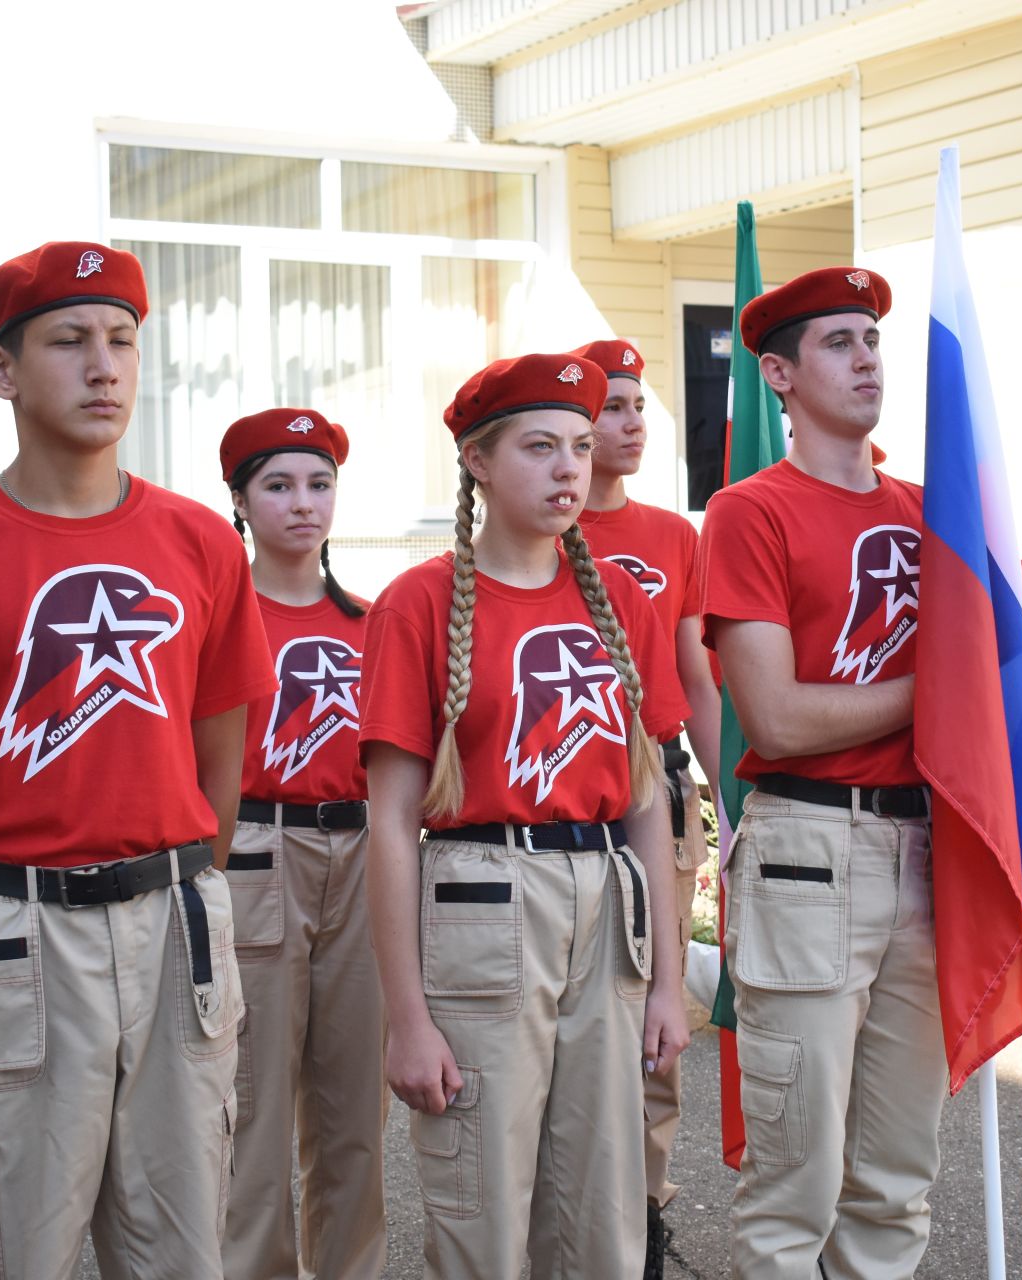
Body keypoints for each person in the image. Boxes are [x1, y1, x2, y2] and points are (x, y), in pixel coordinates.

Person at [0, 242, 274, 1280]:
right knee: (17, 1248)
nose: (104, 366)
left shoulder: (201, 543)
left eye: (122, 340)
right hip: (13, 931)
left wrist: (177, 882)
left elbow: (223, 760)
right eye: (70, 340)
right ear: (2, 370)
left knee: (181, 1252)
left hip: (176, 928)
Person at [359, 352, 692, 1278]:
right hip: (480, 905)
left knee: (606, 1208)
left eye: (581, 447)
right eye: (540, 447)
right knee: (483, 1211)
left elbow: (646, 802)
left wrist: (668, 978)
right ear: (478, 461)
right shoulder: (417, 604)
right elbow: (390, 824)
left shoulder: (621, 598)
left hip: (606, 905)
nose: (569, 470)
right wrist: (407, 1020)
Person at [698, 266, 942, 1278]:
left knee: (895, 1183)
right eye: (838, 341)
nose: (867, 357)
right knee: (793, 1183)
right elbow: (779, 715)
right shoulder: (749, 511)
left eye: (872, 339)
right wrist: (938, 694)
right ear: (779, 374)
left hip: (930, 848)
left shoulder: (935, 508)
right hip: (808, 849)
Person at [217, 409, 385, 1280]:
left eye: (319, 483)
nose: (303, 503)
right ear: (242, 501)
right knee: (253, 1106)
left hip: (361, 858)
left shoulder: (373, 623)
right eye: (278, 485)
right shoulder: (216, 617)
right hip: (254, 852)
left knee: (355, 1112)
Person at [567, 337, 722, 1277]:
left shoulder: (674, 536)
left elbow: (695, 674)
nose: (629, 423)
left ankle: (647, 1213)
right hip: (563, 794)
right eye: (611, 406)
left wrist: (719, 792)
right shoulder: (536, 522)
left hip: (655, 786)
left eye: (637, 406)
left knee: (655, 1022)